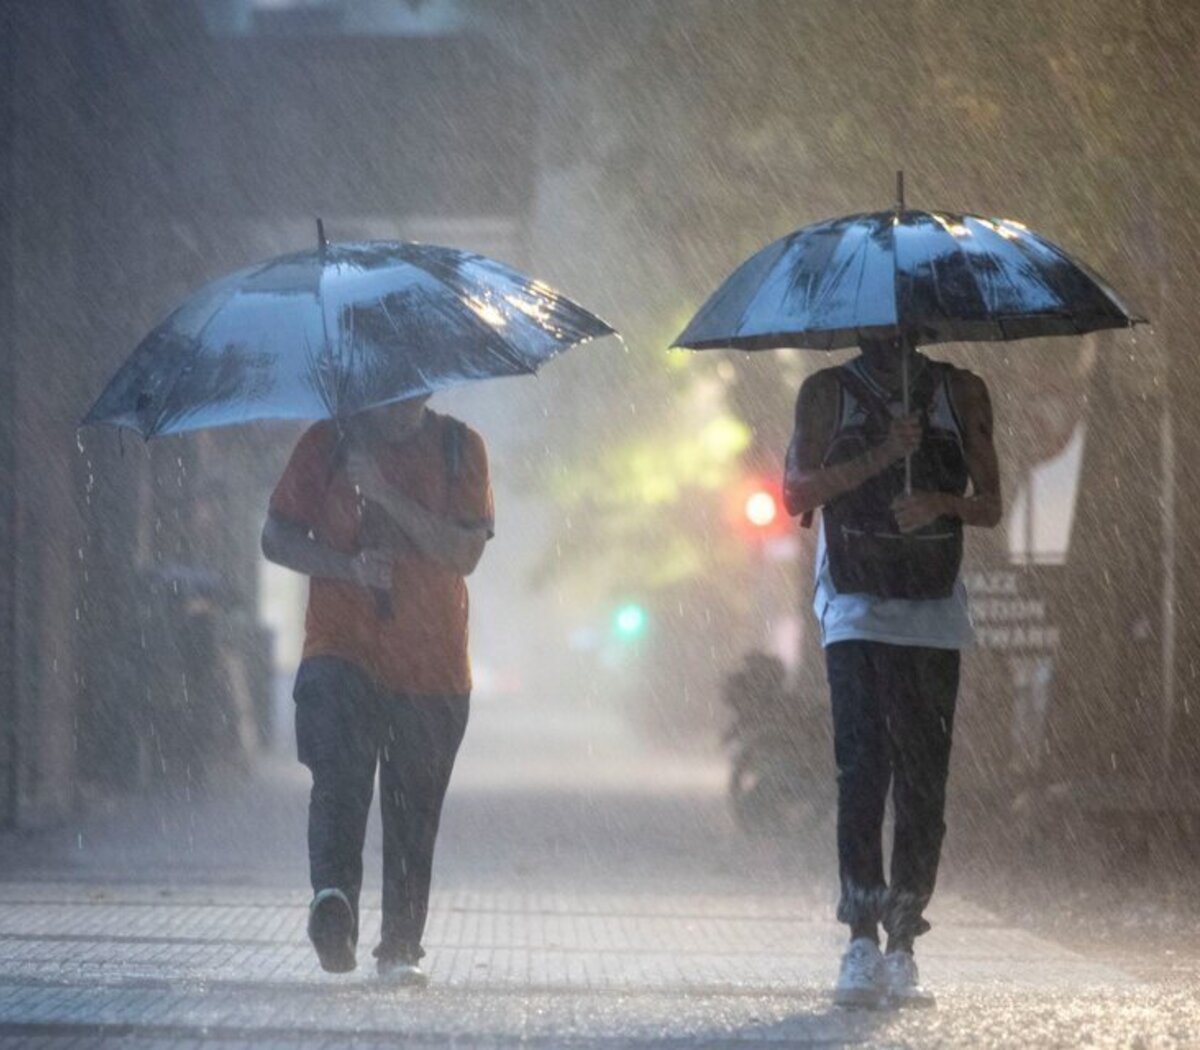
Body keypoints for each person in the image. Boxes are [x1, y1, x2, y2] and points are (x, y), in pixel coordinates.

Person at [783, 336, 1001, 1008]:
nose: (895, 334)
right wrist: (882, 454)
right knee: (862, 766)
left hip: (932, 612)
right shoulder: (827, 392)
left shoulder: (960, 392)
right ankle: (859, 937)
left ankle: (904, 939)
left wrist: (939, 501)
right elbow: (795, 492)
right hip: (854, 607)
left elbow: (991, 503)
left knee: (923, 775)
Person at [262, 394, 493, 985]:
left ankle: (400, 948)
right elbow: (277, 538)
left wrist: (387, 493)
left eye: (413, 388)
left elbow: (465, 552)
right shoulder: (328, 442)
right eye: (387, 387)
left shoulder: (459, 447)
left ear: (431, 388)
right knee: (338, 777)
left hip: (432, 665)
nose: (400, 401)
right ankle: (333, 902)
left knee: (413, 811)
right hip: (341, 649)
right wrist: (347, 567)